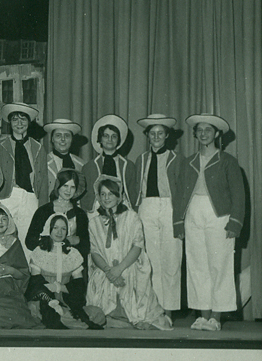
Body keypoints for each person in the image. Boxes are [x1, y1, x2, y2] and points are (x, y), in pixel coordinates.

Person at [173, 114, 245, 332]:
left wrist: (234, 223)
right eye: (200, 130)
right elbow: (179, 194)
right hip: (193, 212)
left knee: (220, 265)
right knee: (197, 265)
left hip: (219, 215)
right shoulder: (188, 162)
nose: (203, 133)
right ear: (195, 134)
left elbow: (238, 195)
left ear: (217, 134)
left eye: (208, 130)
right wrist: (178, 222)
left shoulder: (228, 161)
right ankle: (203, 316)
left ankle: (216, 317)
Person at [86, 176, 172, 330]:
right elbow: (94, 252)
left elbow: (137, 247)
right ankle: (112, 317)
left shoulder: (132, 217)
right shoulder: (94, 223)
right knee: (100, 302)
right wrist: (109, 271)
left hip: (128, 266)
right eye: (103, 194)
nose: (106, 198)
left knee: (130, 285)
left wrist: (119, 269)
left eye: (111, 194)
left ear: (119, 196)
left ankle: (126, 317)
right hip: (105, 270)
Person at [129, 114, 183, 315]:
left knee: (171, 259)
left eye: (160, 133)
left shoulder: (177, 158)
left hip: (169, 206)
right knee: (150, 260)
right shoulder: (141, 159)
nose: (156, 137)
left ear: (167, 136)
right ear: (147, 136)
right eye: (153, 133)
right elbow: (136, 188)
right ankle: (154, 309)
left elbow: (181, 190)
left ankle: (168, 311)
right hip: (147, 206)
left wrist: (180, 217)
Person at [26, 214, 102, 330]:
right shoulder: (39, 252)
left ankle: (66, 318)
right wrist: (51, 295)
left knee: (97, 313)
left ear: (67, 231)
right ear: (49, 229)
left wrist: (59, 288)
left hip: (66, 299)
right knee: (38, 310)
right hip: (45, 299)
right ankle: (66, 319)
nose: (59, 232)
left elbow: (79, 285)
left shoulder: (73, 253)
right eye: (55, 228)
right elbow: (36, 283)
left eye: (63, 229)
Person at [0, 102, 47, 250]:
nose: (19, 123)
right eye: (15, 119)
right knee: (3, 239)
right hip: (7, 196)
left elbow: (43, 180)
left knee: (29, 240)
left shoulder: (38, 148)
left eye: (23, 119)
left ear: (29, 122)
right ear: (10, 123)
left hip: (30, 196)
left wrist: (43, 207)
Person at [25, 169, 90, 267]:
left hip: (71, 263)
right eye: (65, 186)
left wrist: (77, 241)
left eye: (72, 187)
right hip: (46, 262)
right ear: (58, 186)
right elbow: (29, 241)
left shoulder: (80, 214)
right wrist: (51, 242)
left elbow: (86, 246)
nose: (68, 191)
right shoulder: (44, 211)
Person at [81, 114, 136, 213]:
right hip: (96, 211)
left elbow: (132, 193)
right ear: (100, 139)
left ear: (119, 140)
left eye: (114, 136)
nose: (110, 140)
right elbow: (86, 197)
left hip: (122, 210)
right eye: (106, 136)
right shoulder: (89, 167)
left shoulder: (129, 166)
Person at [43, 119, 85, 194]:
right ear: (52, 139)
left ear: (72, 139)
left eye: (67, 136)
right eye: (58, 135)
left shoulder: (81, 164)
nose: (63, 139)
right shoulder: (43, 162)